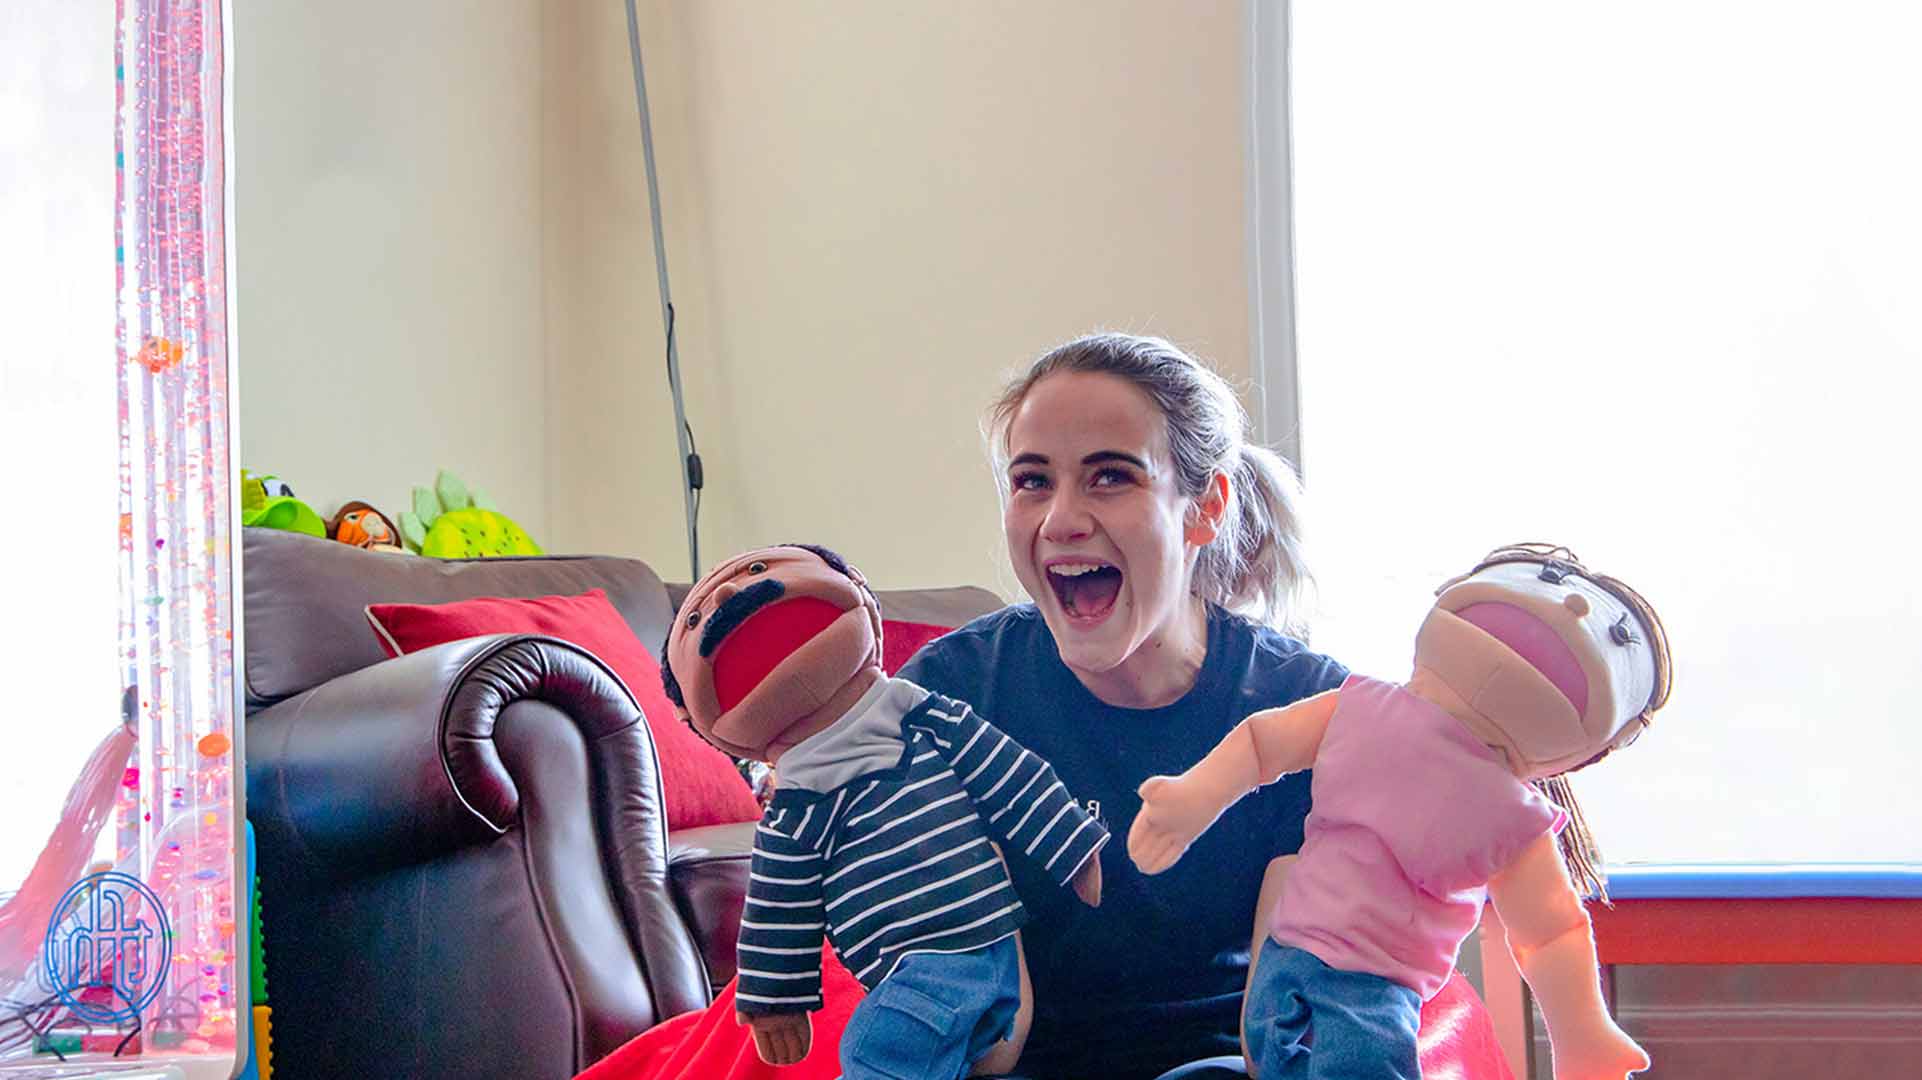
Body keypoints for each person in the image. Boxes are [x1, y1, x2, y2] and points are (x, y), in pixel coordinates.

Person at [895, 332, 1346, 1080]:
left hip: (1219, 1062)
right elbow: (982, 1036)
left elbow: (1283, 1030)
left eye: (1110, 476)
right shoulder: (951, 693)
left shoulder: (1303, 708)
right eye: (1032, 481)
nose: (1060, 520)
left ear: (1205, 509)